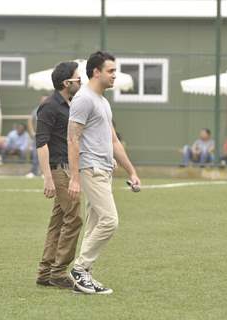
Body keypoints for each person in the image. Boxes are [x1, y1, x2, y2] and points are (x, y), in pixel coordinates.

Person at [68, 51, 141, 295]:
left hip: (105, 170)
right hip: (91, 168)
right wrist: (75, 178)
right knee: (110, 221)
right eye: (110, 71)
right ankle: (79, 269)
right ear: (96, 71)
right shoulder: (84, 99)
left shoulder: (103, 101)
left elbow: (114, 141)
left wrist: (131, 171)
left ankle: (83, 277)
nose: (114, 76)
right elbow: (73, 139)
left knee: (95, 225)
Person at [35, 61, 83, 289]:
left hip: (66, 168)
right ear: (67, 83)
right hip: (59, 170)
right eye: (77, 78)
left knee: (58, 222)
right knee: (74, 219)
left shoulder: (70, 105)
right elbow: (41, 143)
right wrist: (48, 178)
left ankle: (45, 272)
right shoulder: (49, 106)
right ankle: (58, 271)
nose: (80, 81)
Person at [25, 96, 48, 178]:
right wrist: (32, 132)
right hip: (38, 135)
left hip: (48, 136)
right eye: (42, 100)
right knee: (35, 154)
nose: (44, 101)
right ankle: (33, 172)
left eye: (46, 100)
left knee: (47, 155)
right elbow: (30, 120)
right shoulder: (36, 110)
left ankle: (44, 173)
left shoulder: (51, 109)